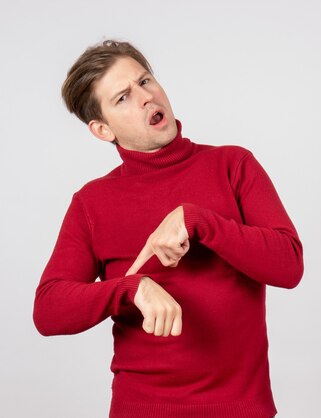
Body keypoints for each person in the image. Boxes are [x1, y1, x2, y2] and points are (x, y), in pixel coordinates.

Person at [33, 40, 304, 418]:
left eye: (145, 81)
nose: (145, 97)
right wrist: (129, 289)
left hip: (240, 409)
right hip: (139, 409)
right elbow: (49, 310)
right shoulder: (91, 202)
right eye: (123, 98)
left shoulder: (233, 165)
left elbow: (288, 266)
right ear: (102, 129)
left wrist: (200, 221)